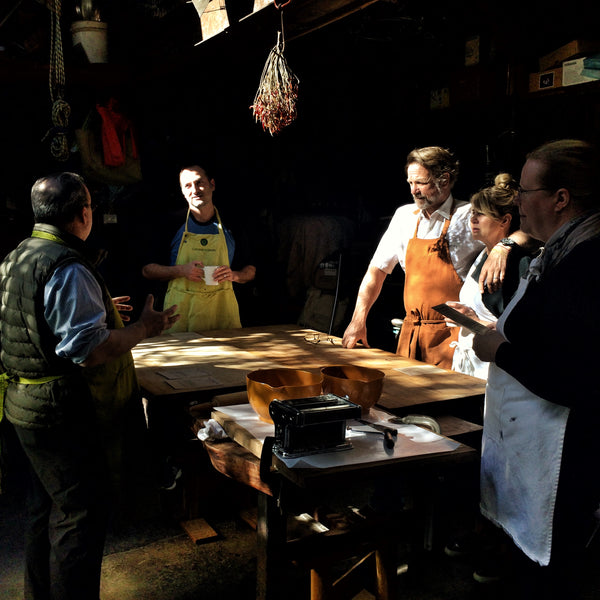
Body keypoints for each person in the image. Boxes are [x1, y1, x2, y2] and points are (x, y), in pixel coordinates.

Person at [0, 172, 179, 600]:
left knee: (43, 510)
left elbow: (36, 320)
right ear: (83, 213)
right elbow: (89, 351)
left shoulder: (19, 255)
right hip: (61, 410)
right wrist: (140, 328)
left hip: (22, 407)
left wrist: (99, 309)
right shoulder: (67, 266)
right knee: (79, 518)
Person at [472, 139, 600, 595]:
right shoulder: (562, 249)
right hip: (531, 443)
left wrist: (497, 351)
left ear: (560, 198)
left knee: (558, 570)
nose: (517, 203)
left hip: (564, 455)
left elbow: (576, 377)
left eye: (525, 193)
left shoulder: (585, 263)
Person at [342, 146, 524, 369]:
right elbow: (376, 272)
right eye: (410, 183)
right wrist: (358, 320)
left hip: (452, 336)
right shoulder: (403, 217)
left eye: (420, 183)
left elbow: (524, 228)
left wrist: (503, 247)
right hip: (411, 334)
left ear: (444, 180)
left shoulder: (468, 214)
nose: (413, 190)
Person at [445, 173, 540, 379]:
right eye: (472, 212)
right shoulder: (481, 255)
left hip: (495, 372)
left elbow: (515, 334)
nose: (473, 219)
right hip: (469, 367)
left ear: (505, 220)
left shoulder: (518, 264)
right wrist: (465, 316)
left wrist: (472, 320)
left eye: (481, 213)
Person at [142, 164, 256, 332]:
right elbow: (147, 270)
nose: (194, 190)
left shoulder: (232, 225)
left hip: (222, 316)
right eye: (187, 185)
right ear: (182, 191)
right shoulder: (170, 225)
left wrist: (234, 275)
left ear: (212, 185)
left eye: (199, 182)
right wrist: (181, 271)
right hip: (180, 316)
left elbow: (251, 269)